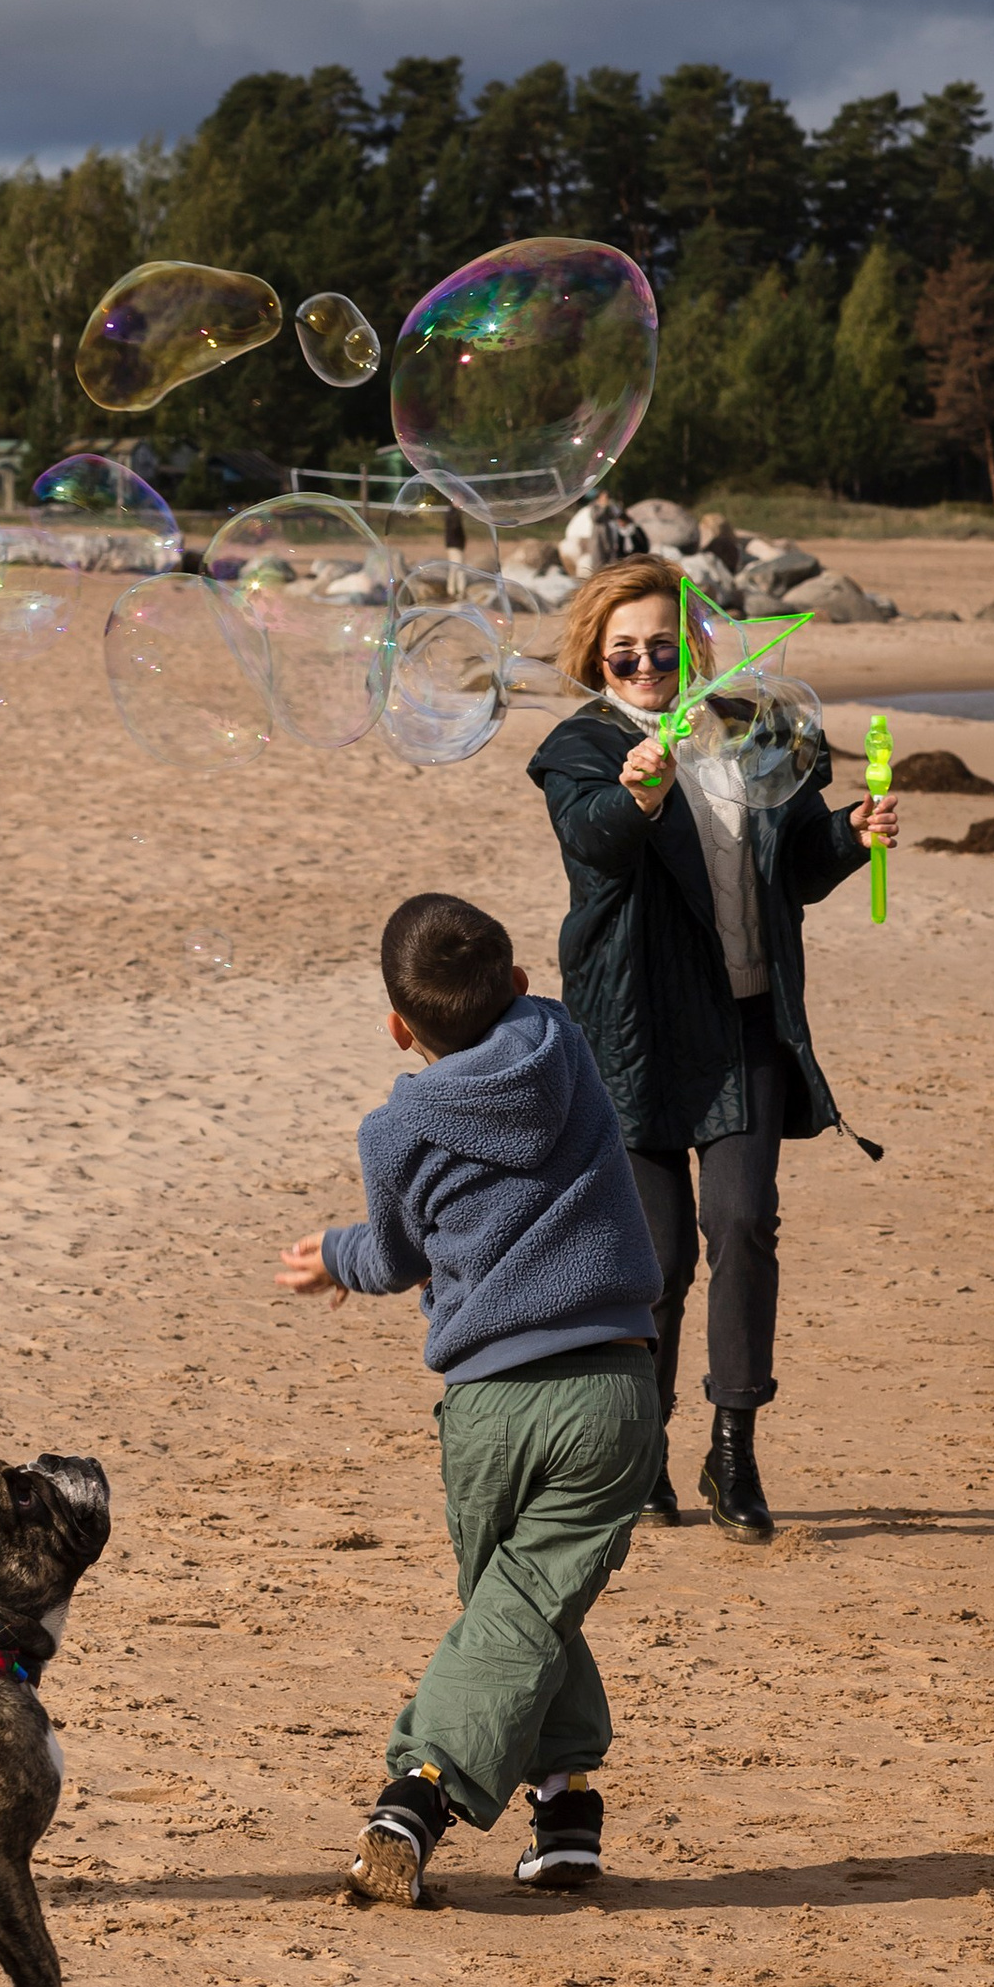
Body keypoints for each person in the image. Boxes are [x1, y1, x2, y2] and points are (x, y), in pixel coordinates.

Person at [277, 890, 662, 1905]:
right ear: (522, 983)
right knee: (526, 1605)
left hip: (490, 1404)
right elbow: (531, 1006)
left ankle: (421, 1789)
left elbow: (397, 1257)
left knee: (517, 1604)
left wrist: (335, 1257)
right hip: (614, 1390)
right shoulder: (562, 1043)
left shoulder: (394, 1130)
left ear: (397, 1028)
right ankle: (566, 1809)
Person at [525, 557, 898, 1544]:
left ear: (694, 644)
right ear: (597, 659)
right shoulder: (581, 748)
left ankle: (733, 1449)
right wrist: (640, 793)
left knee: (743, 1224)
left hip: (744, 1027)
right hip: (634, 1035)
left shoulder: (756, 730)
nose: (647, 665)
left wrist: (851, 833)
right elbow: (595, 843)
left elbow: (795, 867)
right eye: (625, 652)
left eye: (663, 645)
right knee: (654, 1260)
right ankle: (642, 1446)